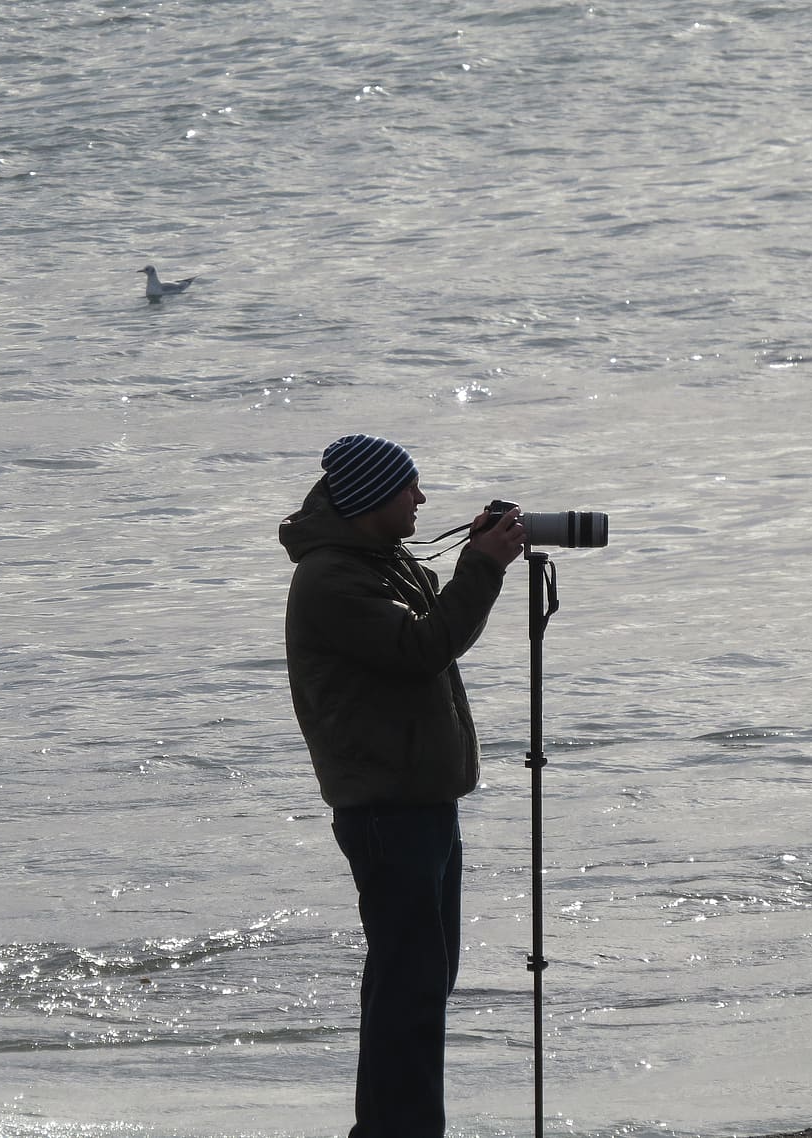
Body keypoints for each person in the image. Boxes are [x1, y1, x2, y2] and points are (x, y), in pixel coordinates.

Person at [278, 434, 525, 1138]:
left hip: (420, 799)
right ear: (368, 500)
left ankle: (392, 1128)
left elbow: (428, 628)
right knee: (410, 985)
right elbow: (423, 647)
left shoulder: (377, 561)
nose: (421, 499)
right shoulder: (332, 579)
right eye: (408, 488)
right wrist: (483, 567)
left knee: (419, 978)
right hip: (387, 808)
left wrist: (476, 555)